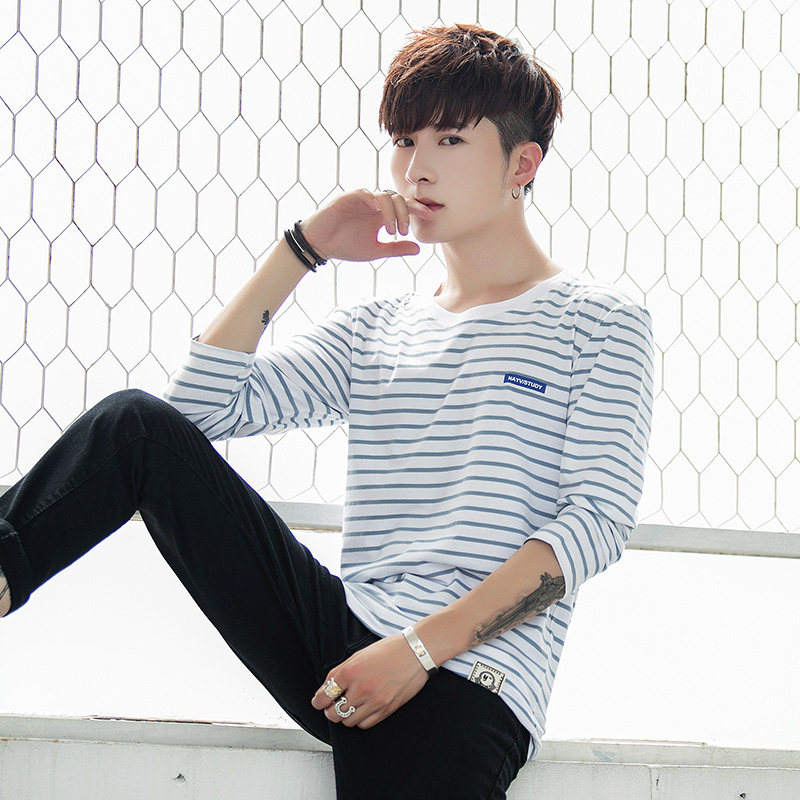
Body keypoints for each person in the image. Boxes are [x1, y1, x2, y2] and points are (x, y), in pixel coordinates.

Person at [0, 23, 654, 799]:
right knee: (132, 426)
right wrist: (303, 249)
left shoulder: (598, 321)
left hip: (470, 675)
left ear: (522, 163)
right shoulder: (376, 331)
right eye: (404, 142)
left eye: (449, 140)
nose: (416, 167)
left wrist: (417, 651)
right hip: (342, 634)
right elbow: (195, 418)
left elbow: (594, 525)